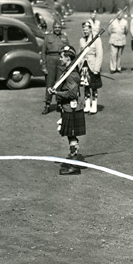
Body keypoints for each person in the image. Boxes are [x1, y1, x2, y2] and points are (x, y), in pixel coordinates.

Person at [48, 45, 85, 176]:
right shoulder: (68, 71)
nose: (60, 58)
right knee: (70, 135)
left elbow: (72, 93)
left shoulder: (71, 74)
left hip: (72, 109)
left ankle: (74, 165)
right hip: (68, 108)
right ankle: (73, 160)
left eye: (62, 56)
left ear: (68, 58)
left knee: (72, 135)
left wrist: (57, 93)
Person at [41, 22, 69, 114]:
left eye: (59, 27)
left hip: (61, 61)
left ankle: (59, 103)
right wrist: (44, 66)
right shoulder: (48, 37)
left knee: (60, 83)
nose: (57, 29)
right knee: (50, 83)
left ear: (61, 28)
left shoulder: (64, 37)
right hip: (50, 61)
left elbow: (68, 51)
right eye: (55, 27)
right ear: (53, 28)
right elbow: (43, 52)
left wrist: (67, 65)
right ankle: (47, 104)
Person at [79, 21, 103, 114]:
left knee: (93, 86)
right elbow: (80, 53)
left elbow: (99, 54)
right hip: (83, 66)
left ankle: (94, 105)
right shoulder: (81, 40)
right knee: (85, 86)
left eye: (87, 29)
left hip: (93, 66)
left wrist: (97, 68)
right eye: (83, 29)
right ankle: (87, 105)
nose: (85, 31)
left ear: (90, 29)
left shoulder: (96, 39)